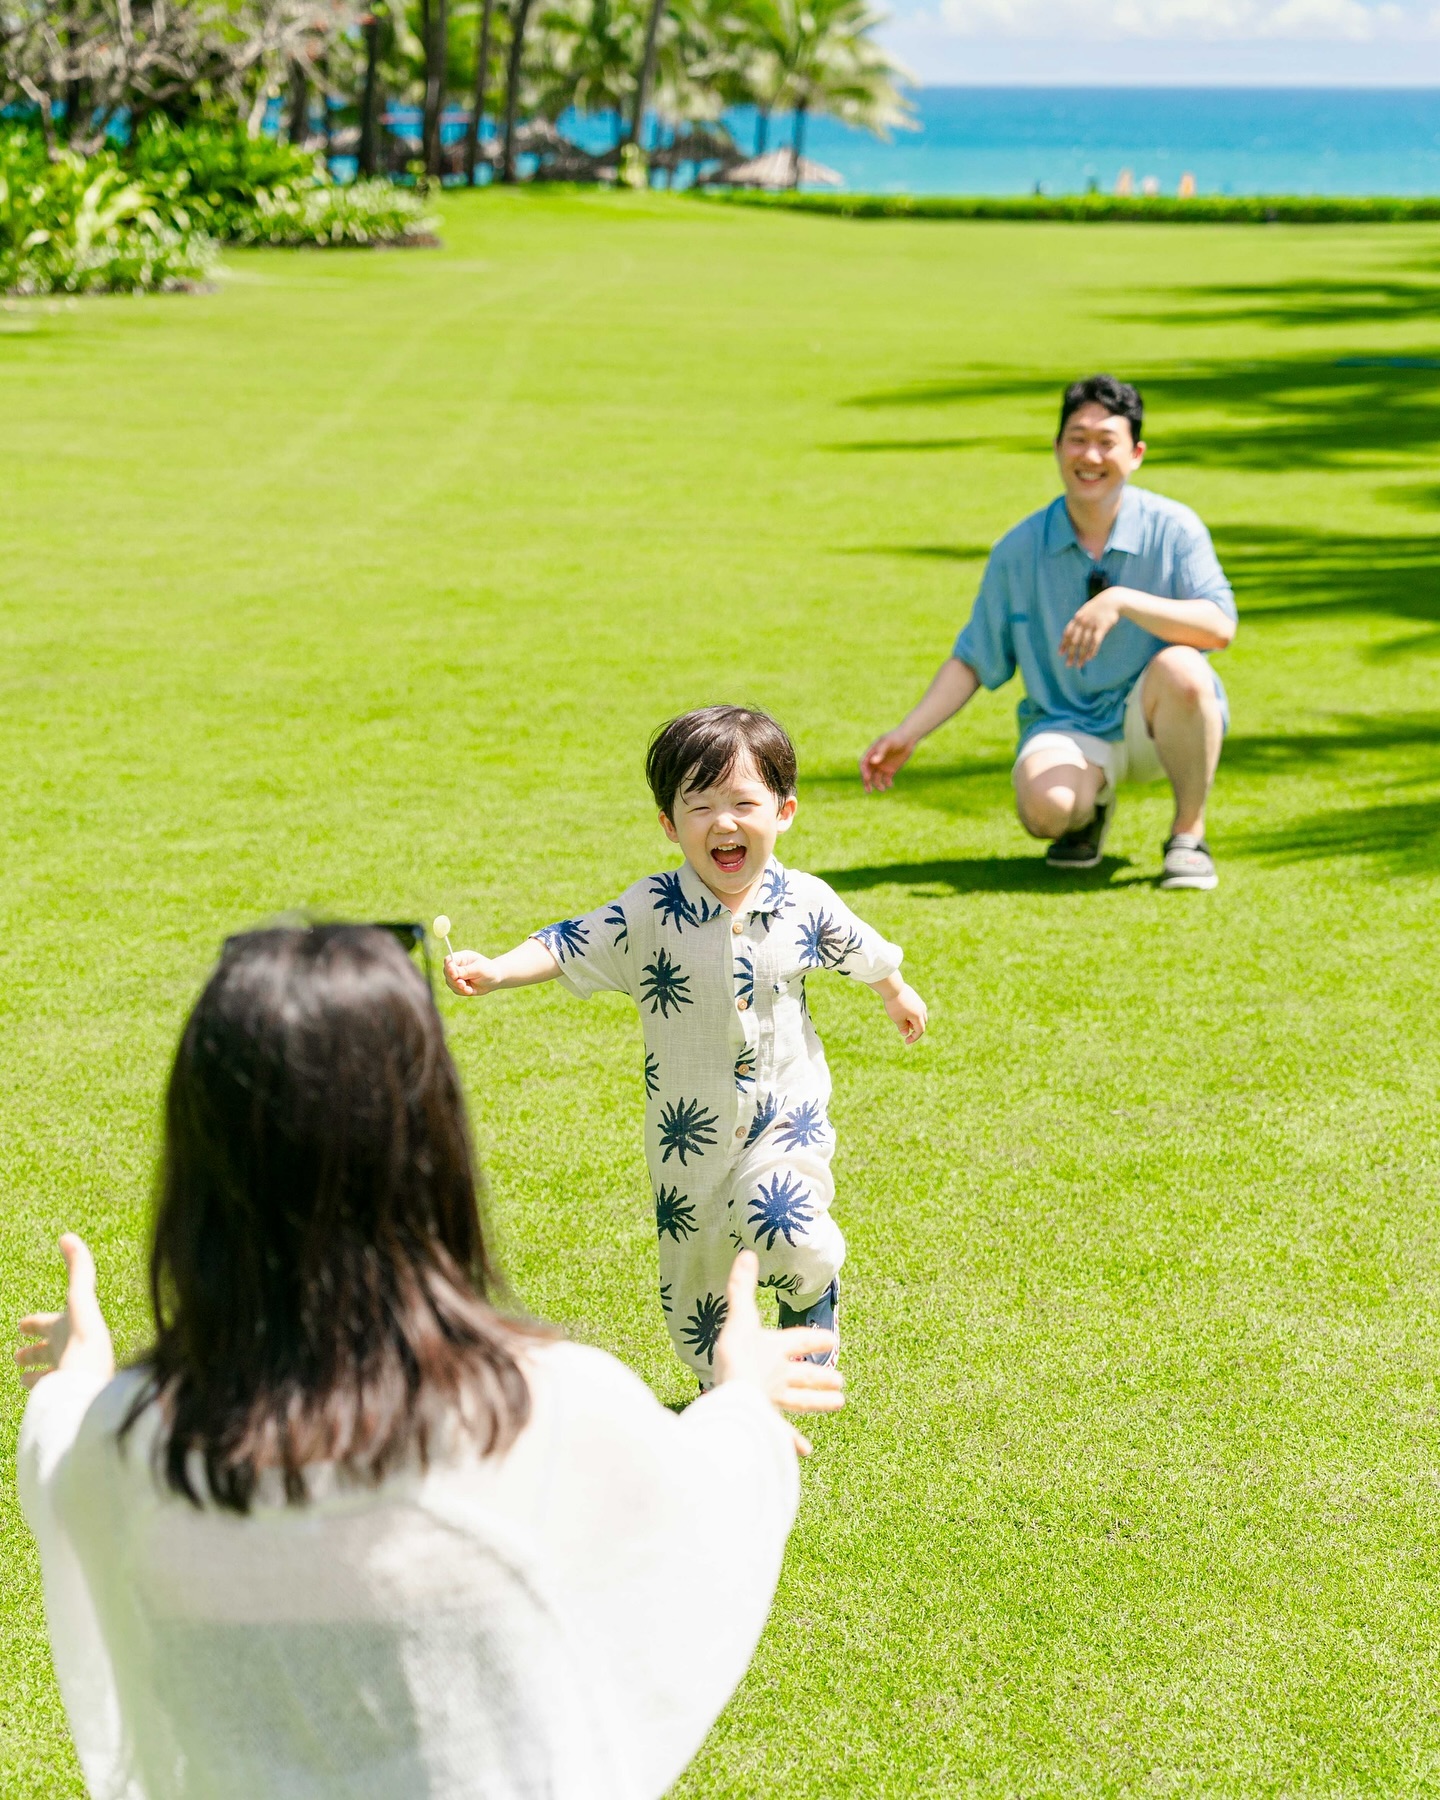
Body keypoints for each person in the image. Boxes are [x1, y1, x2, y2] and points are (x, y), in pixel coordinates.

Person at [15, 925, 843, 1800]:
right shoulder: (538, 1409)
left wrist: (82, 1377)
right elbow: (696, 1517)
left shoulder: (130, 1446)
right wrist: (742, 1397)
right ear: (430, 1146)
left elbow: (60, 1458)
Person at [445, 705, 928, 1385]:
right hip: (686, 1140)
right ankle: (722, 1384)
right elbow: (567, 942)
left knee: (785, 1223)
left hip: (784, 1120)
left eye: (743, 802)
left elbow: (860, 948)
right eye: (700, 806)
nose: (723, 823)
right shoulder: (649, 913)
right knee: (697, 1288)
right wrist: (496, 970)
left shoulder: (804, 904)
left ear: (785, 811)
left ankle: (809, 1294)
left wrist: (895, 991)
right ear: (670, 824)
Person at [860, 374, 1238, 890]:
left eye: (1108, 442)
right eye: (1077, 439)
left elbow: (1219, 627)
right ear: (1058, 448)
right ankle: (1086, 815)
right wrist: (908, 734)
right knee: (1046, 812)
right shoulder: (1017, 549)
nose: (1091, 456)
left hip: (1157, 719)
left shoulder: (1175, 528)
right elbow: (975, 659)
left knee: (1184, 668)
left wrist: (1123, 602)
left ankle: (1188, 834)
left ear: (1136, 453)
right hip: (1067, 723)